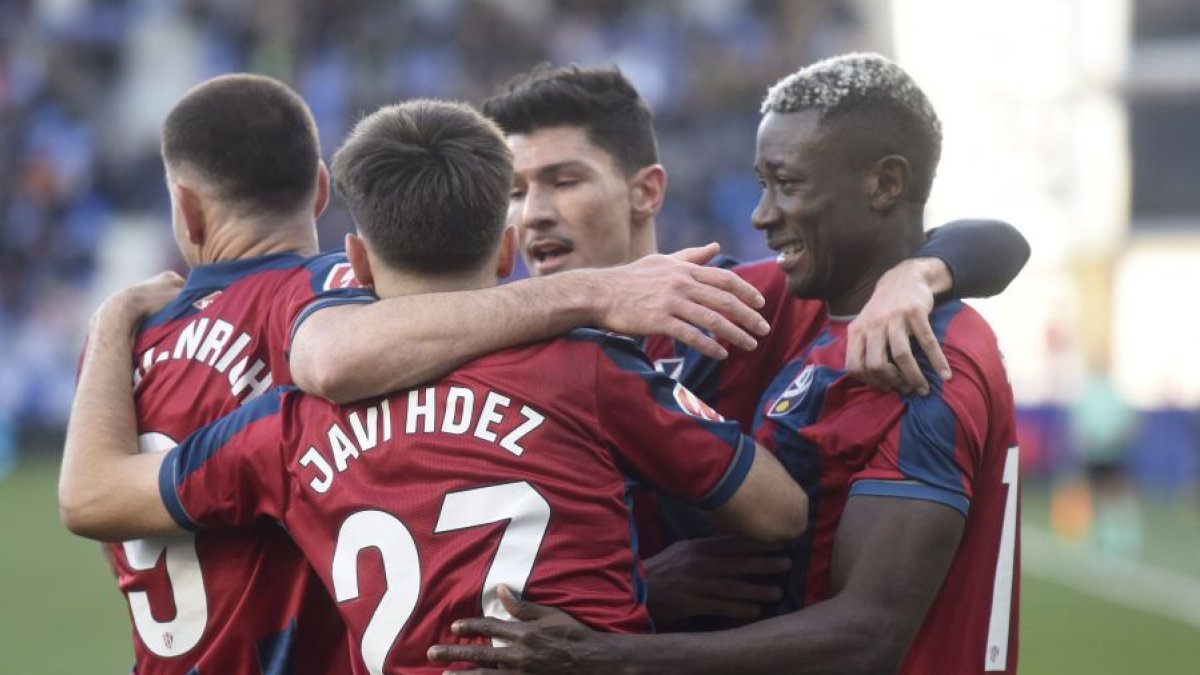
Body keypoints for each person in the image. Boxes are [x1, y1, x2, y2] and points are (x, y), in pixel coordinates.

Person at [56, 74, 781, 674]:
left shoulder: (277, 425)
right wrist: (590, 296)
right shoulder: (586, 366)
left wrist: (111, 319)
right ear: (507, 252)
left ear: (360, 260)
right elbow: (780, 512)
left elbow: (91, 497)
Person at [430, 52, 1022, 675]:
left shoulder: (739, 309)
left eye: (564, 180)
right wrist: (641, 587)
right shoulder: (493, 352)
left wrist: (920, 272)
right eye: (515, 192)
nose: (534, 213)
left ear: (646, 191)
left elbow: (999, 243)